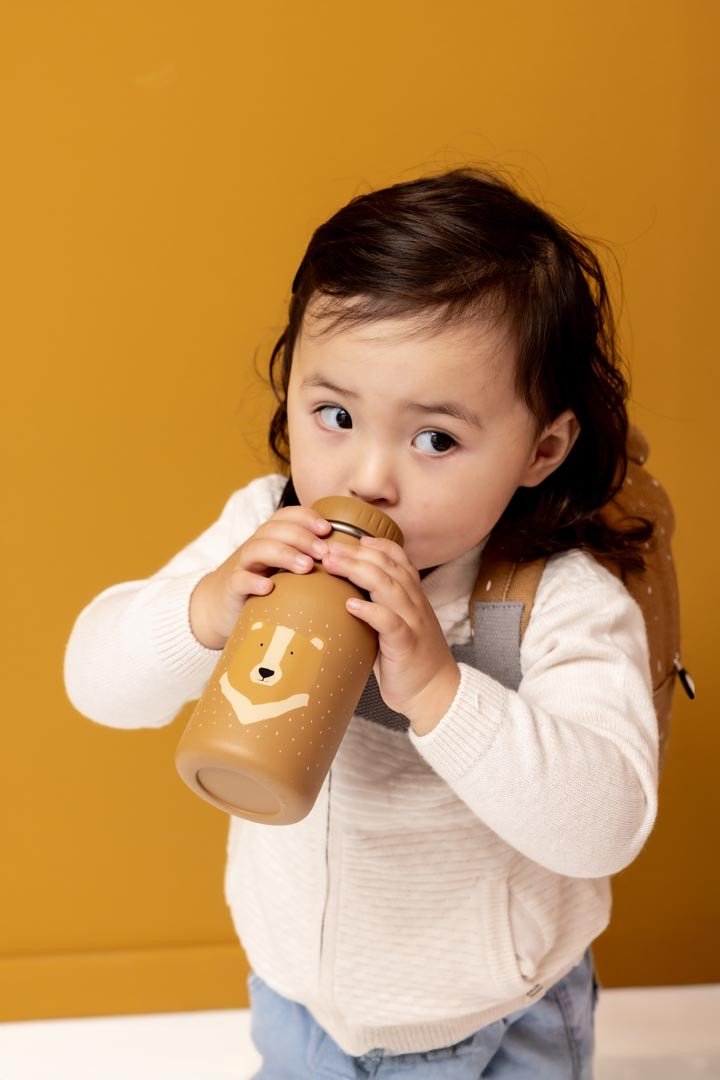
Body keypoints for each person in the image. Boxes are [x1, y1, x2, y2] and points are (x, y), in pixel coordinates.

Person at [64, 166, 659, 1078]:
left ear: (541, 448)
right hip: (300, 1003)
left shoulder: (551, 597)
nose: (369, 477)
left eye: (436, 440)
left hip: (492, 1019)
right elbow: (96, 685)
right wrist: (208, 606)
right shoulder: (264, 530)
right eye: (334, 414)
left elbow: (605, 824)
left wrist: (438, 689)